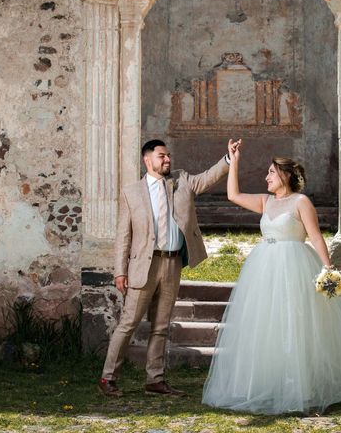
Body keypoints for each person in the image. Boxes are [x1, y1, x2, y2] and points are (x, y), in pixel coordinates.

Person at [202, 139, 341, 414]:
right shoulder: (266, 202)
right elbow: (233, 195)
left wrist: (328, 270)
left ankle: (300, 386)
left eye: (270, 172)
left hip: (294, 267)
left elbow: (315, 237)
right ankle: (271, 382)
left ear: (285, 175)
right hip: (265, 269)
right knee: (268, 324)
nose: (266, 176)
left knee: (296, 323)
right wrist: (234, 160)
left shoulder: (301, 202)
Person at [98, 138, 238, 397]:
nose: (167, 160)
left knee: (161, 326)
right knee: (128, 323)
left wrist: (227, 159)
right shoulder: (131, 192)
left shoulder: (182, 181)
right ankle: (108, 378)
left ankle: (155, 380)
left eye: (168, 156)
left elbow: (207, 178)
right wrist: (120, 271)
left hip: (173, 264)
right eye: (162, 156)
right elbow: (123, 237)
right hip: (143, 266)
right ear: (147, 159)